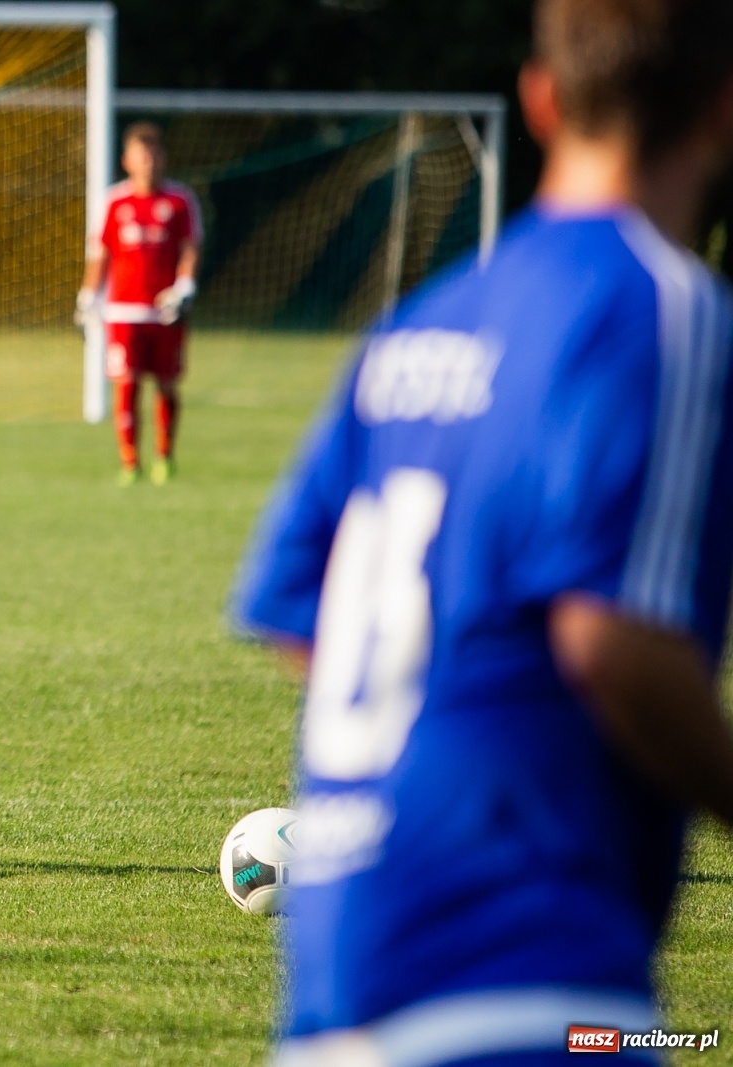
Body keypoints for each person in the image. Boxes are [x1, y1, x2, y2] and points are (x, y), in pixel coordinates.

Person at [232, 0, 733, 1059]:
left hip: (335, 973)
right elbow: (612, 640)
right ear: (720, 114)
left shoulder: (417, 323)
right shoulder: (659, 309)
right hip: (521, 967)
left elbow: (295, 607)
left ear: (541, 101)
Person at [78, 123, 202, 486]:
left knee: (166, 384)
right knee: (126, 384)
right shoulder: (113, 201)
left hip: (166, 311)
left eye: (152, 154)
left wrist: (184, 286)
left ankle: (165, 457)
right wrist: (87, 297)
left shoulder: (179, 200)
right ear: (126, 160)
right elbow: (100, 254)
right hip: (122, 311)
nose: (147, 161)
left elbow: (190, 248)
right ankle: (130, 462)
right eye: (139, 155)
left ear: (162, 158)